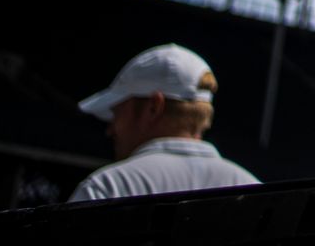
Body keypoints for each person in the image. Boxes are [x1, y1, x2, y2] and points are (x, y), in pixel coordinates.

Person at [69, 44, 260, 201]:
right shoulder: (257, 193)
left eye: (117, 113)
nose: (110, 130)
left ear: (154, 106)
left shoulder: (106, 188)